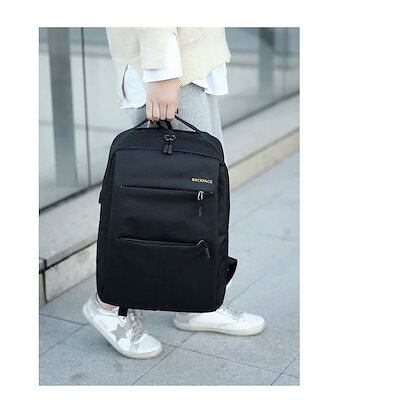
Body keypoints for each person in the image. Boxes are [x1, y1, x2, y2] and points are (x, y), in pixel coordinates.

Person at [83, 28, 265, 359]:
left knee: (198, 204)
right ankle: (109, 306)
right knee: (158, 208)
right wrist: (161, 70)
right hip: (170, 64)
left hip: (192, 59)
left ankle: (195, 301)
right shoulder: (165, 67)